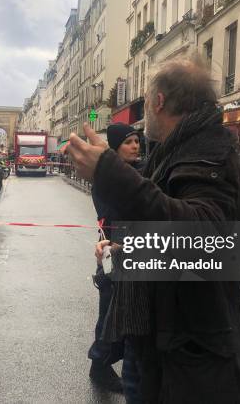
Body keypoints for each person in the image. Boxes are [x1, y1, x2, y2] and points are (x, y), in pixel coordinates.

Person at [66, 59, 240, 403]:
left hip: (191, 348)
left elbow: (204, 238)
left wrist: (111, 172)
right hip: (156, 337)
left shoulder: (207, 151)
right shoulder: (175, 149)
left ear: (158, 102)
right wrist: (129, 251)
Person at [88, 123, 142, 400]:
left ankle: (103, 362)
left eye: (136, 141)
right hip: (112, 253)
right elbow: (109, 215)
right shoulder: (107, 178)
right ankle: (99, 365)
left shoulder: (138, 173)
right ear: (115, 147)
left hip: (135, 252)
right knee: (109, 311)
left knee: (123, 312)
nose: (135, 146)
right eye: (128, 142)